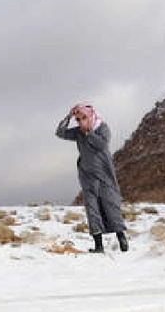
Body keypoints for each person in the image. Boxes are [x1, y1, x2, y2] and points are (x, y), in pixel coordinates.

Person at [55, 103, 128, 253]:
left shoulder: (102, 128)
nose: (81, 122)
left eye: (84, 118)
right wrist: (68, 117)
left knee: (111, 206)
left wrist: (89, 133)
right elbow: (60, 132)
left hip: (104, 175)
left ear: (91, 116)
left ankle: (121, 238)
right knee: (92, 210)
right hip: (87, 177)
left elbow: (101, 145)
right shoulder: (78, 132)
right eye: (78, 119)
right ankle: (98, 246)